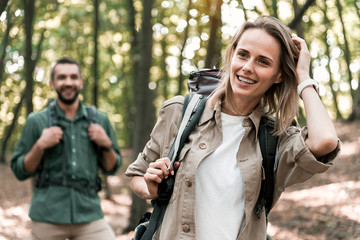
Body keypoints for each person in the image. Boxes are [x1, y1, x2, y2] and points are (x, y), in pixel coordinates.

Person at [125, 16, 341, 240]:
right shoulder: (179, 111)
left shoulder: (277, 137)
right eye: (243, 54)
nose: (247, 67)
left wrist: (303, 77)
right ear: (232, 54)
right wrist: (150, 188)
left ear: (279, 75)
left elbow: (324, 141)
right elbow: (136, 175)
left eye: (263, 62)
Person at [11, 57, 122, 240]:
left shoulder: (99, 119)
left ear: (81, 82)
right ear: (52, 83)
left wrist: (106, 143)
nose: (68, 82)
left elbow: (113, 167)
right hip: (47, 216)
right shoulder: (36, 121)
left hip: (89, 215)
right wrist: (40, 145)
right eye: (62, 77)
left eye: (73, 77)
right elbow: (20, 170)